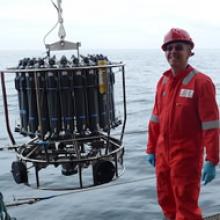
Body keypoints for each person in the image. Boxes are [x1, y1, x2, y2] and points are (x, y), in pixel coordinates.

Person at [146, 28, 220, 220]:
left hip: (186, 158)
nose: (173, 52)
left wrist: (212, 159)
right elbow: (155, 120)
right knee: (165, 201)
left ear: (189, 52)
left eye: (178, 47)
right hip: (163, 156)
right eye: (168, 48)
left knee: (186, 208)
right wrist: (151, 148)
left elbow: (211, 125)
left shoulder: (201, 83)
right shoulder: (162, 82)